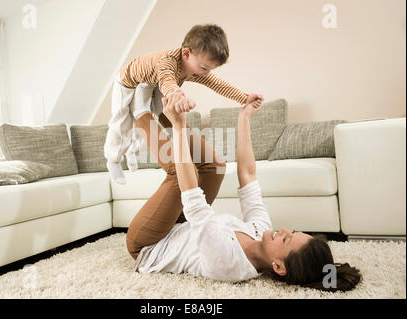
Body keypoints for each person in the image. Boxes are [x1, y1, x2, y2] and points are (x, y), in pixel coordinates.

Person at [126, 92, 362, 291]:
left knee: (180, 177)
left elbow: (192, 197)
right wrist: (244, 116)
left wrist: (179, 126)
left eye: (286, 238)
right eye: (291, 231)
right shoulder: (261, 232)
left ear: (279, 267)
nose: (282, 230)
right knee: (214, 167)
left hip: (151, 244)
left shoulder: (228, 263)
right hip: (180, 225)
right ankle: (163, 112)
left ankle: (140, 112)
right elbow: (248, 176)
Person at [104, 23, 263, 184]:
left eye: (210, 69)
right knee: (123, 119)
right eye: (204, 68)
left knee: (158, 114)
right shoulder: (168, 63)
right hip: (128, 82)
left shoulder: (196, 68)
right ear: (186, 53)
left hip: (153, 82)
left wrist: (244, 98)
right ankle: (113, 159)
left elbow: (218, 84)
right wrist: (178, 96)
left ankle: (132, 149)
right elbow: (167, 82)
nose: (206, 73)